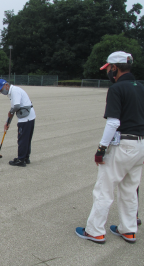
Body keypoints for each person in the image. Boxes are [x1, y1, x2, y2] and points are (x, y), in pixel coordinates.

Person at [75, 51, 144, 244]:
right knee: (130, 190)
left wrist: (101, 149)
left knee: (104, 189)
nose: (108, 72)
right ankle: (128, 230)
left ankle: (95, 231)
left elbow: (113, 123)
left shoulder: (117, 89)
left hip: (123, 145)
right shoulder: (141, 87)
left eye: (109, 68)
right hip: (141, 145)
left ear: (114, 67)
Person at [0, 79, 36, 167]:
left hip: (26, 118)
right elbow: (14, 110)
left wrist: (10, 112)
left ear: (6, 85)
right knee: (26, 139)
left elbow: (16, 107)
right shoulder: (12, 92)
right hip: (29, 117)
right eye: (0, 91)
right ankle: (25, 158)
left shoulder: (14, 91)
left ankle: (21, 160)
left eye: (1, 90)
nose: (2, 92)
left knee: (22, 139)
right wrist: (8, 122)